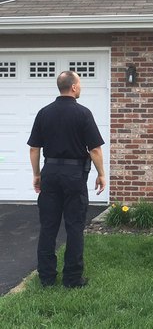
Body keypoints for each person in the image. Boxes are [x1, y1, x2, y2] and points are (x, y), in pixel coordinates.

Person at [28, 71, 106, 288]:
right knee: (74, 227)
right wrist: (101, 174)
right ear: (73, 87)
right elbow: (95, 150)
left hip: (50, 173)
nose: (80, 87)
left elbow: (34, 148)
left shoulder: (44, 113)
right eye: (79, 83)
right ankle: (72, 279)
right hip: (74, 176)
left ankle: (47, 278)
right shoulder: (83, 114)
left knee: (48, 227)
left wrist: (37, 174)